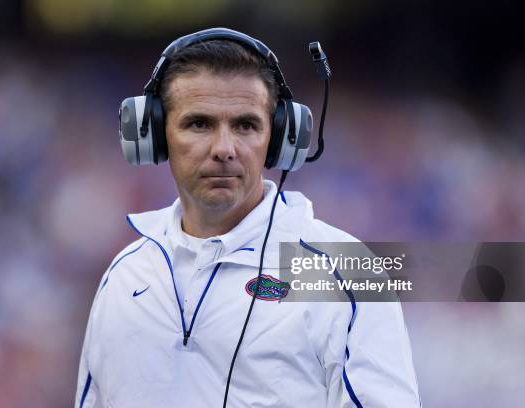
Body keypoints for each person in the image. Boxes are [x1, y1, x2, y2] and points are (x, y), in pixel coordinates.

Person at [75, 28, 420, 408]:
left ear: (279, 139)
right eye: (199, 124)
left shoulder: (347, 272)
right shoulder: (125, 276)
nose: (224, 149)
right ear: (155, 134)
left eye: (246, 125)